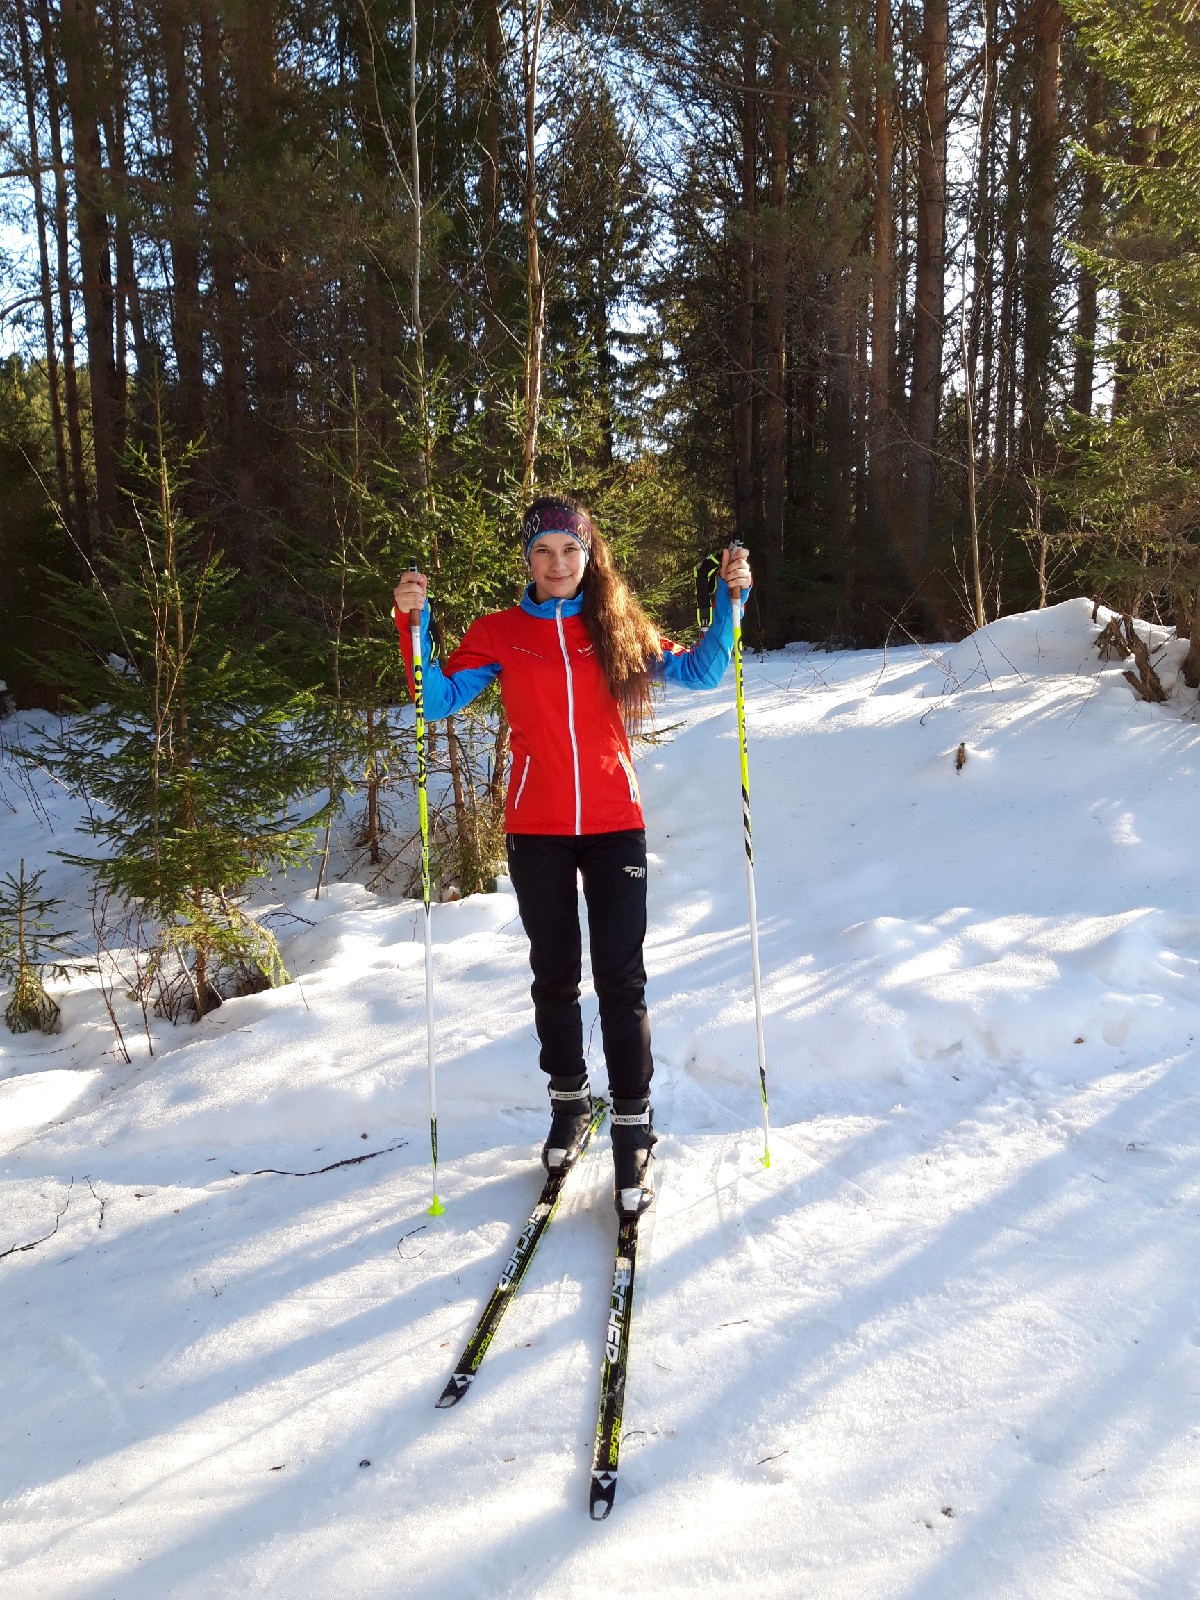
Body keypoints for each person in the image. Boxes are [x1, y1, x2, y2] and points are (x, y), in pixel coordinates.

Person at [393, 494, 752, 1218]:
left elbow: (704, 672)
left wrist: (730, 598)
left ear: (589, 556)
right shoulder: (500, 632)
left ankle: (632, 1121)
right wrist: (413, 624)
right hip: (537, 828)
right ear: (527, 560)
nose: (557, 563)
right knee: (554, 976)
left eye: (570, 550)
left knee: (622, 979)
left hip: (616, 823)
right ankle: (568, 1103)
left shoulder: (615, 624)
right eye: (543, 551)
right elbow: (434, 699)